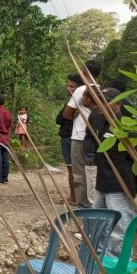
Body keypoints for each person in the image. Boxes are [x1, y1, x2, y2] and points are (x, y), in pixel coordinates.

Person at [88, 88, 137, 256]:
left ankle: (119, 261)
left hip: (119, 182)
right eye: (99, 100)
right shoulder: (102, 121)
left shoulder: (125, 124)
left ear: (118, 103)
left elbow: (136, 155)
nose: (100, 104)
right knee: (97, 221)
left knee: (120, 224)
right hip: (103, 181)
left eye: (105, 101)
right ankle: (99, 258)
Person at [63, 59, 102, 208]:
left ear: (85, 72)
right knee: (91, 173)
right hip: (94, 137)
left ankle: (82, 206)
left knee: (79, 175)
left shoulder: (82, 90)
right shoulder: (101, 90)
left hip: (79, 136)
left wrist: (76, 114)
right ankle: (92, 204)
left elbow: (66, 114)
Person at [56, 74, 83, 205]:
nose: (68, 88)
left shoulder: (76, 102)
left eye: (71, 86)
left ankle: (74, 197)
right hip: (71, 137)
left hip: (70, 137)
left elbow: (61, 118)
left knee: (72, 169)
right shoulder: (75, 102)